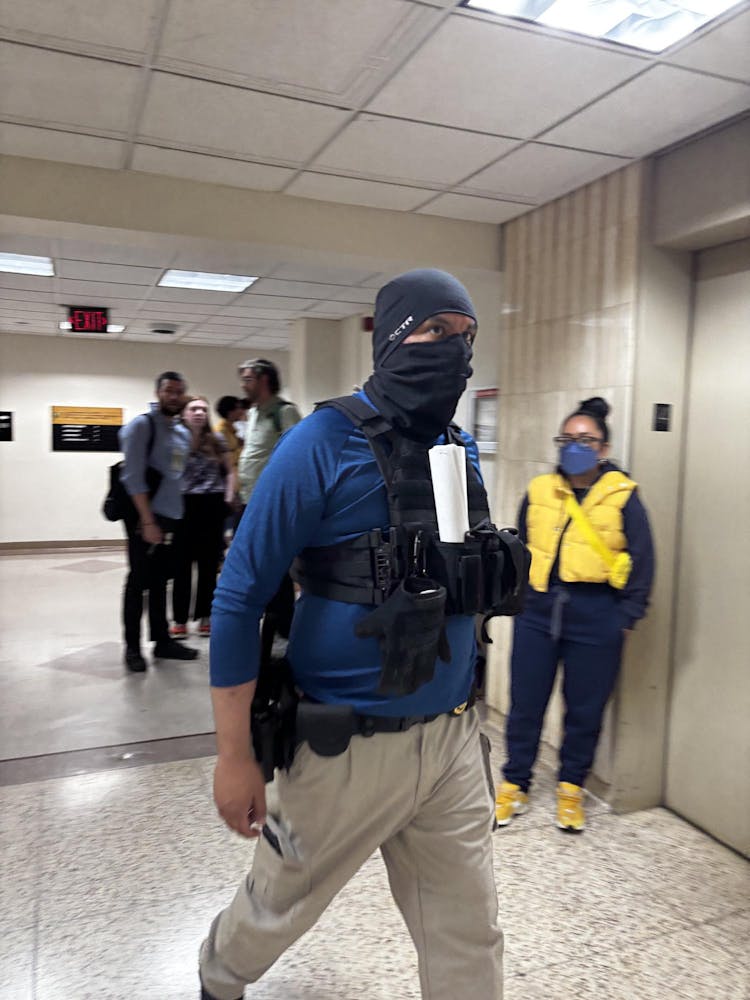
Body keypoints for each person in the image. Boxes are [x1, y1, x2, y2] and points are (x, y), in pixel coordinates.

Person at [198, 270, 525, 1000]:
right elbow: (238, 597)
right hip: (344, 748)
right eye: (436, 330)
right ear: (392, 338)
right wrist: (233, 755)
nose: (454, 348)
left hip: (450, 740)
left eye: (466, 334)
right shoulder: (319, 443)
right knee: (274, 911)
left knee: (469, 931)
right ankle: (217, 980)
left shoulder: (460, 449)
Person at [495, 397, 655, 833]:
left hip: (597, 613)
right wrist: (519, 598)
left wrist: (625, 618)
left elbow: (643, 560)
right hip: (539, 611)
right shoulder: (540, 490)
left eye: (585, 440)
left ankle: (571, 788)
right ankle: (515, 782)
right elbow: (522, 548)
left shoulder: (623, 497)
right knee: (526, 703)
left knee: (584, 710)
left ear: (604, 449)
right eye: (567, 439)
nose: (575, 447)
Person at [119, 371, 198, 671]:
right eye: (169, 391)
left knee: (160, 582)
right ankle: (132, 647)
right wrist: (147, 521)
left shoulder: (180, 431)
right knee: (138, 582)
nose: (174, 396)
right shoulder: (142, 426)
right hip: (145, 518)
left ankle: (162, 641)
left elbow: (177, 473)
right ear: (158, 392)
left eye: (179, 391)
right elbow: (132, 477)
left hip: (171, 517)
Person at [170, 396, 236, 639]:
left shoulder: (216, 439)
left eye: (203, 409)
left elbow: (229, 471)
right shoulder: (176, 439)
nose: (199, 413)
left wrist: (229, 496)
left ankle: (205, 616)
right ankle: (179, 619)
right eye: (193, 409)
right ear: (183, 413)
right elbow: (172, 473)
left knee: (208, 565)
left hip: (212, 504)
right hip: (184, 504)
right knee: (181, 566)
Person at [236, 358, 301, 508]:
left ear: (264, 380)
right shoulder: (252, 413)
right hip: (248, 494)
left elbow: (298, 456)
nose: (243, 385)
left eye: (248, 380)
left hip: (271, 497)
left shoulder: (285, 412)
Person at [213, 395, 245, 472]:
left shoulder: (231, 428)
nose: (242, 411)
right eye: (239, 408)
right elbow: (223, 458)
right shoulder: (220, 431)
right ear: (230, 411)